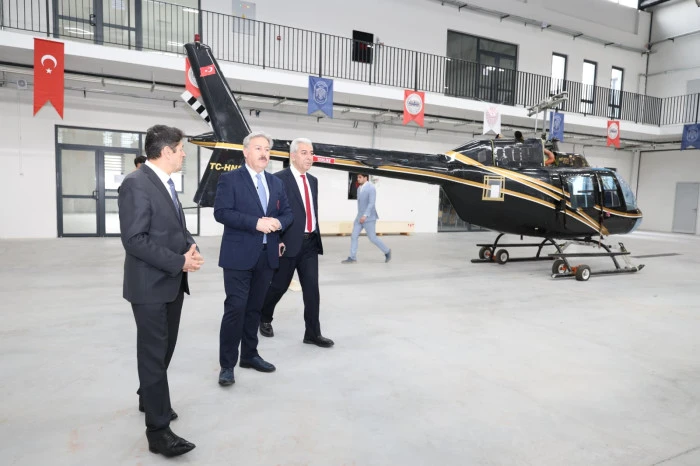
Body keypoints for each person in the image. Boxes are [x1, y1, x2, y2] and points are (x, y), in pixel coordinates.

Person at [118, 124, 203, 458]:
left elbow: (175, 227)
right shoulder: (136, 184)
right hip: (150, 286)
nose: (184, 154)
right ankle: (158, 432)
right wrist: (179, 262)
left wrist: (190, 247)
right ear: (167, 151)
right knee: (154, 355)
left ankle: (148, 397)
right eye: (181, 149)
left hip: (170, 282)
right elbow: (135, 240)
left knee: (164, 349)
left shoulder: (165, 182)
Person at [214, 131, 293, 387]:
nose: (264, 153)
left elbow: (287, 213)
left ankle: (249, 355)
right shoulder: (230, 179)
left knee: (254, 309)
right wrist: (255, 223)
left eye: (267, 149)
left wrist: (278, 223)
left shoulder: (275, 182)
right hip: (238, 256)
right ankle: (227, 365)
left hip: (266, 256)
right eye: (258, 148)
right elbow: (221, 212)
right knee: (235, 309)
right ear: (246, 151)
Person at [259, 138, 334, 348]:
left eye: (311, 153)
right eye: (304, 153)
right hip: (288, 243)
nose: (309, 157)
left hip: (310, 243)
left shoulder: (313, 181)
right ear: (292, 156)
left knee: (312, 290)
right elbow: (272, 212)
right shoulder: (278, 179)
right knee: (279, 286)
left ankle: (313, 333)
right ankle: (263, 316)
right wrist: (277, 240)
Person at [341, 173, 391, 264]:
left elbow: (371, 203)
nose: (358, 179)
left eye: (360, 177)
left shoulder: (371, 188)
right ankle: (352, 257)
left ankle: (387, 251)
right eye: (357, 177)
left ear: (365, 178)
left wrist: (365, 215)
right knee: (354, 236)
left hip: (369, 218)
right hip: (359, 218)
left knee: (372, 238)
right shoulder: (359, 188)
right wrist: (360, 216)